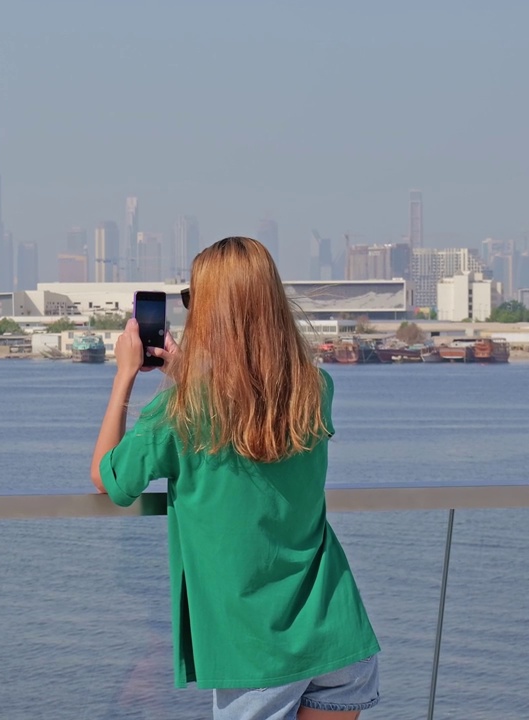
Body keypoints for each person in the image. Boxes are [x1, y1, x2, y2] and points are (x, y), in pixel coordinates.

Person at [90, 237, 380, 720]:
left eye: (191, 300)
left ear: (209, 313)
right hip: (337, 633)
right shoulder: (314, 389)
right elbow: (247, 412)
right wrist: (187, 373)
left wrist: (124, 374)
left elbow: (110, 479)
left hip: (256, 655)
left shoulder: (177, 413)